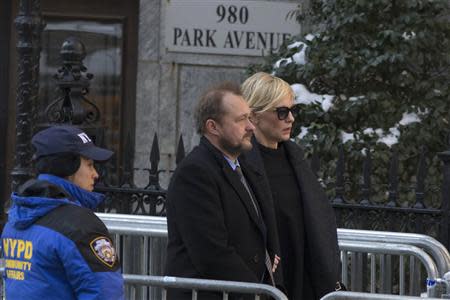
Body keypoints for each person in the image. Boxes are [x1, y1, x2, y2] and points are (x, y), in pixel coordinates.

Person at [165, 82, 283, 299]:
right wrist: (257, 293)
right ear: (213, 127)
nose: (251, 127)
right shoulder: (195, 173)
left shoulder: (243, 166)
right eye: (241, 119)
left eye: (250, 118)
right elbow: (211, 253)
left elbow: (262, 231)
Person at [241, 72, 341, 300]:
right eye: (281, 112)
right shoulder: (241, 163)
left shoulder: (294, 157)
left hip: (304, 276)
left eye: (293, 110)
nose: (291, 119)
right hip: (267, 280)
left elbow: (319, 220)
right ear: (254, 116)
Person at [1, 125, 124, 300]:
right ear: (69, 167)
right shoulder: (80, 225)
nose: (95, 174)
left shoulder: (16, 218)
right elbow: (105, 293)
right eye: (89, 165)